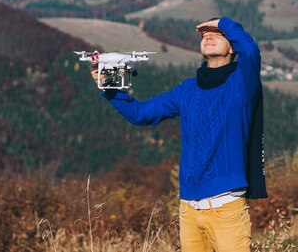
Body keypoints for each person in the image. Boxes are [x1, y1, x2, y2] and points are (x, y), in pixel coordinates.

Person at [93, 17, 267, 252]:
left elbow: (252, 51)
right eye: (205, 34)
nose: (208, 36)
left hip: (227, 206)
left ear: (232, 46)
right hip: (188, 208)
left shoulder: (242, 84)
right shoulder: (187, 89)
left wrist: (224, 22)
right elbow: (141, 114)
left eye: (217, 33)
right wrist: (110, 89)